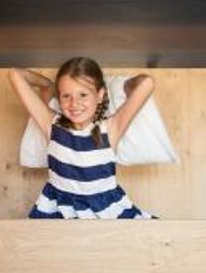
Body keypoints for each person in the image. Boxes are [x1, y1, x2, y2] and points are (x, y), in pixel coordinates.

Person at [9, 57, 156, 219]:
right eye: (66, 96)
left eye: (83, 95)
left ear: (99, 95)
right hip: (59, 210)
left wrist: (127, 87)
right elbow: (15, 74)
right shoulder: (51, 125)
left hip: (105, 211)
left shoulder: (110, 129)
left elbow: (147, 83)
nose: (74, 103)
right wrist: (48, 85)